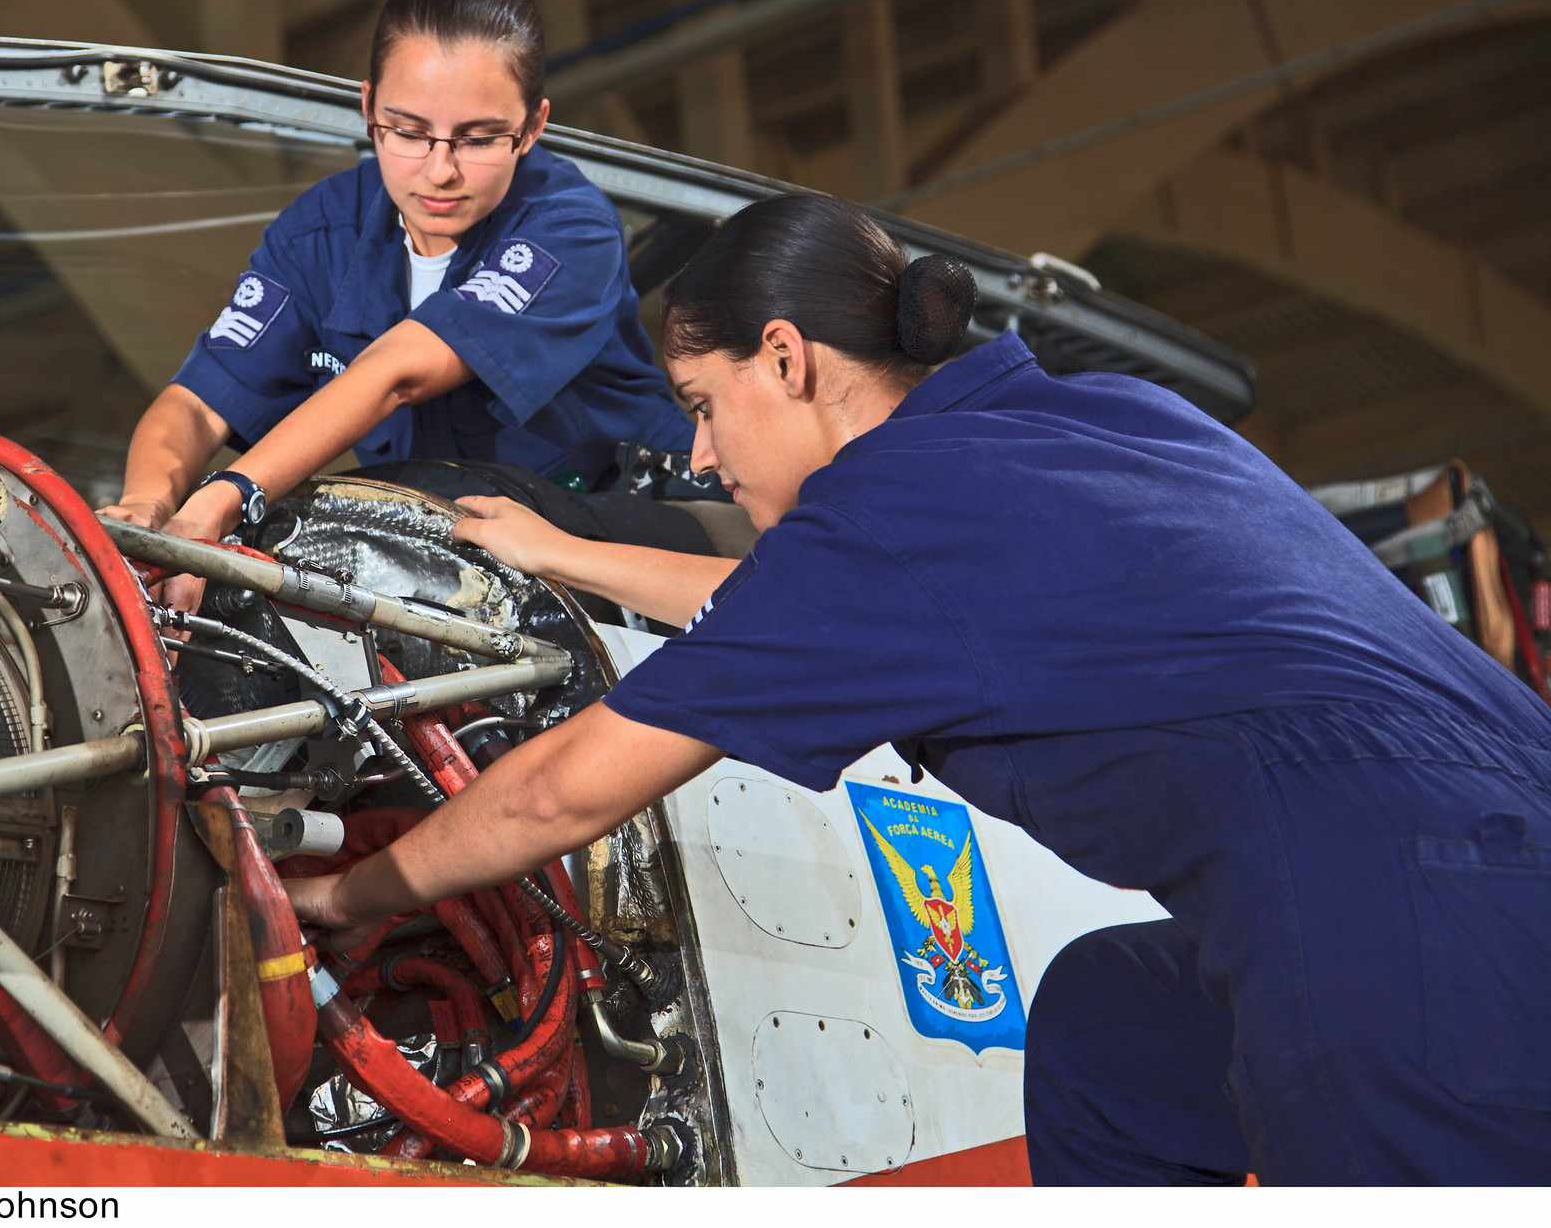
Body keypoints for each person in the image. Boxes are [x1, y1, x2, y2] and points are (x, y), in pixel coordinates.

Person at [284, 192, 1551, 1186]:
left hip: (1394, 923)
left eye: (703, 406)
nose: (704, 456)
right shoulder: (1096, 422)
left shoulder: (880, 532)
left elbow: (559, 794)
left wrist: (347, 891)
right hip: (1504, 856)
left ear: (782, 356)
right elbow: (797, 610)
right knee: (1113, 1033)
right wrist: (567, 555)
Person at [102, 0, 695, 606]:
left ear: (533, 127)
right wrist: (150, 515)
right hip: (461, 574)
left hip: (634, 551)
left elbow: (400, 371)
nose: (439, 170)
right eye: (408, 132)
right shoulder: (318, 236)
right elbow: (194, 403)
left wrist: (229, 496)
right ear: (366, 108)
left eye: (477, 139)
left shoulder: (569, 229)